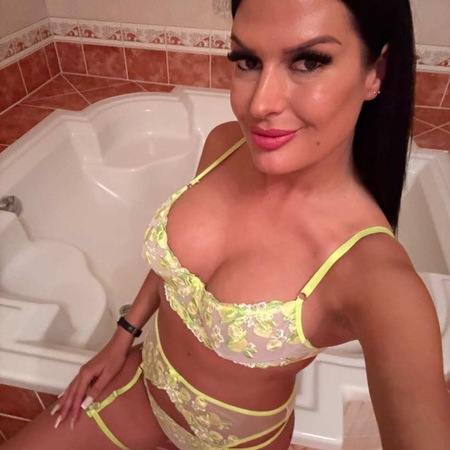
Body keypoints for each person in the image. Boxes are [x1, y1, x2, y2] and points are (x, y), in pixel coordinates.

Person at [3, 0, 450, 449]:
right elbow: (174, 268)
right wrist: (123, 336)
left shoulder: (376, 279)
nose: (259, 104)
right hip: (141, 388)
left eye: (308, 62)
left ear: (377, 72)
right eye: (248, 61)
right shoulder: (224, 145)